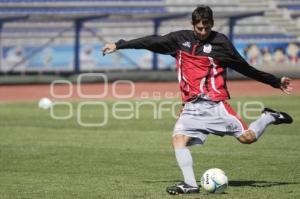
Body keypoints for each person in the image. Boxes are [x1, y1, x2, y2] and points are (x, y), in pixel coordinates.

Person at [102, 5, 293, 195]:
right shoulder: (179, 40)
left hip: (214, 104)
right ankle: (191, 184)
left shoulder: (221, 43)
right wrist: (119, 45)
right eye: (199, 28)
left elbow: (245, 68)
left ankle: (268, 117)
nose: (203, 32)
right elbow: (152, 41)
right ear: (192, 25)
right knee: (178, 139)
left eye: (207, 28)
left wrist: (275, 82)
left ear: (212, 24)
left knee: (247, 138)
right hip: (191, 107)